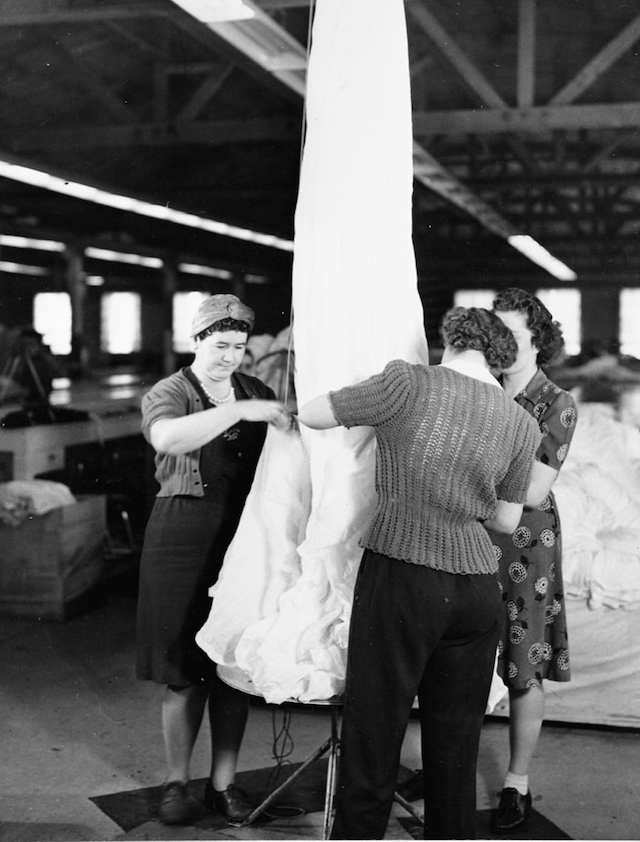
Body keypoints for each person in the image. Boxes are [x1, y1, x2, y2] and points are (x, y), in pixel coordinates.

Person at [298, 307, 541, 840]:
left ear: (449, 339)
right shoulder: (521, 422)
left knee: (374, 734)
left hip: (404, 575)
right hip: (477, 590)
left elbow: (314, 413)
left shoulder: (409, 382)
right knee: (455, 751)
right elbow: (505, 518)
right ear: (498, 357)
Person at [136, 293, 293, 826]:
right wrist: (241, 410)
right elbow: (167, 437)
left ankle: (222, 783)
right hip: (181, 537)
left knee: (232, 665)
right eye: (220, 344)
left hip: (244, 537)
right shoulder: (171, 392)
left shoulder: (258, 389)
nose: (230, 356)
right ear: (196, 340)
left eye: (239, 347)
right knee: (182, 670)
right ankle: (176, 781)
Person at [489, 287, 578, 833]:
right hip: (473, 534)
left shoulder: (557, 403)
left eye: (514, 335)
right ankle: (441, 765)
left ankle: (516, 784)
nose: (501, 345)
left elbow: (531, 487)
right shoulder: (480, 391)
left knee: (523, 664)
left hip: (526, 542)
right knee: (460, 653)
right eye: (494, 334)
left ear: (538, 339)